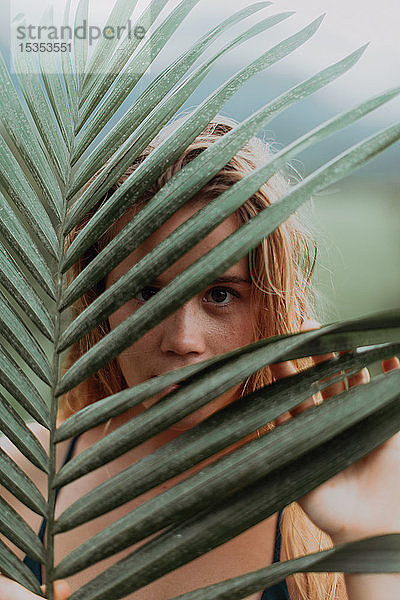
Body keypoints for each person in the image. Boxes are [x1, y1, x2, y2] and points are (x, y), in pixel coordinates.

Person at [1, 114, 399, 600]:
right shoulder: (21, 480)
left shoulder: (353, 491)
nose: (183, 339)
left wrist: (364, 541)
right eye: (147, 292)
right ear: (98, 303)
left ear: (271, 306)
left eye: (220, 293)